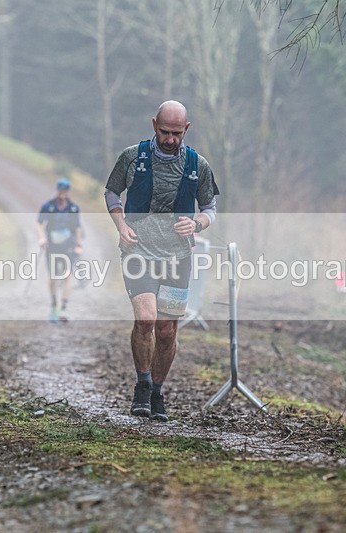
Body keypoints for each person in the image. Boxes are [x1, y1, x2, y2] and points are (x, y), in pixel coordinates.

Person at [104, 100, 219, 422]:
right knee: (146, 320)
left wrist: (197, 224)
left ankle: (157, 391)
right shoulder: (132, 156)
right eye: (165, 132)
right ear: (154, 124)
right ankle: (141, 385)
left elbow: (210, 208)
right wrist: (121, 225)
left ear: (187, 129)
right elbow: (112, 192)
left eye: (177, 134)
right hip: (138, 252)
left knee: (167, 330)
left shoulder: (199, 165)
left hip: (178, 257)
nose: (170, 139)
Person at [36, 178, 83, 322]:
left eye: (65, 190)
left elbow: (77, 227)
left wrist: (79, 245)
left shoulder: (73, 208)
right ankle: (54, 303)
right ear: (57, 190)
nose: (63, 193)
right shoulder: (48, 206)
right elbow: (39, 223)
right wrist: (42, 238)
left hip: (68, 245)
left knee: (67, 275)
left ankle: (63, 308)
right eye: (60, 190)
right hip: (52, 245)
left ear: (68, 192)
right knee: (53, 278)